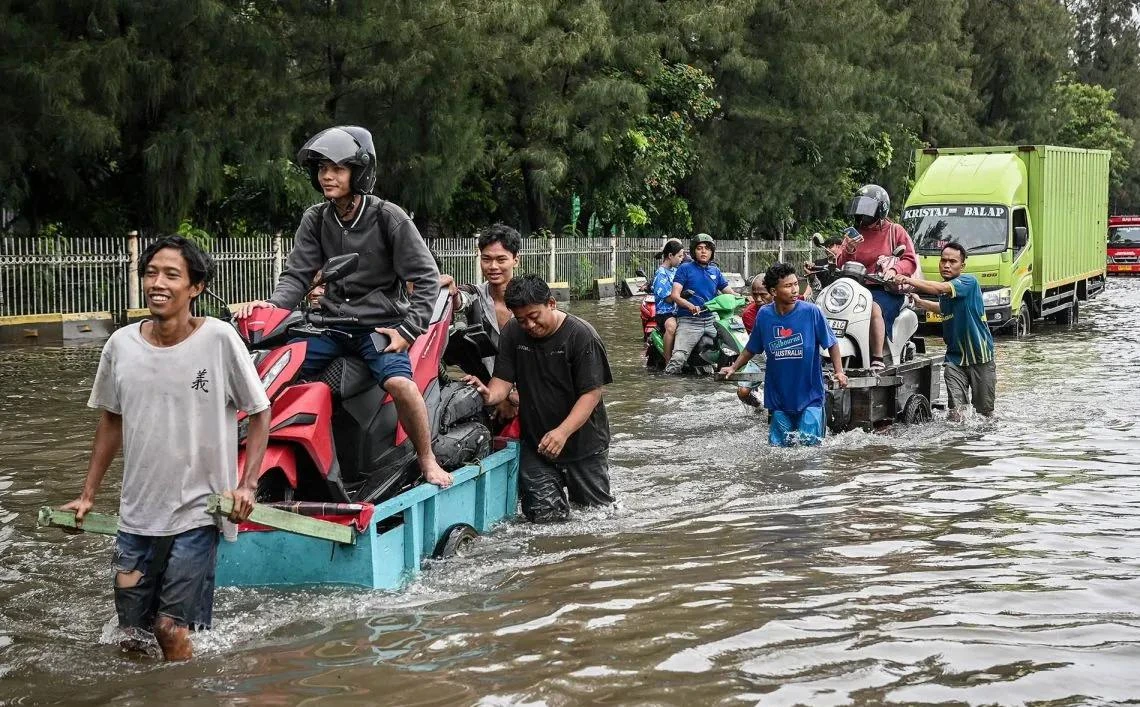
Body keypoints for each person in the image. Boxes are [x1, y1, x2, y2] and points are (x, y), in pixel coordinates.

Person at [62, 235, 271, 661]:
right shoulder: (120, 345)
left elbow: (259, 411)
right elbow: (111, 419)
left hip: (200, 509)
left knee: (169, 629)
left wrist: (247, 486)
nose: (158, 282)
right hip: (137, 514)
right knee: (130, 640)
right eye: (152, 273)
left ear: (195, 287)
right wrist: (87, 495)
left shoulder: (218, 340)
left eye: (172, 275)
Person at [235, 125, 452, 489]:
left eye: (337, 168)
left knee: (400, 384)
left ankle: (427, 459)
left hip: (378, 327)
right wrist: (270, 309)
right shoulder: (316, 218)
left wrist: (407, 331)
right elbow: (297, 275)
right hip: (330, 327)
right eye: (322, 169)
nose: (327, 176)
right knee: (269, 376)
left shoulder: (389, 217)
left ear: (359, 172)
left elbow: (426, 278)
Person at [464, 274, 614, 523]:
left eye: (534, 317)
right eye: (522, 320)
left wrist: (562, 432)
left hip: (583, 445)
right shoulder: (513, 332)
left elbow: (592, 393)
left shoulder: (581, 336)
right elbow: (503, 379)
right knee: (544, 521)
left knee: (594, 518)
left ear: (552, 304)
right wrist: (488, 395)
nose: (529, 326)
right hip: (536, 444)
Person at [719, 263, 848, 446]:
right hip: (779, 399)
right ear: (773, 291)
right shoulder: (764, 315)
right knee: (779, 451)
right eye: (788, 286)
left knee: (809, 449)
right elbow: (751, 348)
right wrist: (733, 367)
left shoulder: (811, 312)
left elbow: (832, 343)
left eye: (796, 284)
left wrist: (839, 371)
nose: (795, 290)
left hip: (810, 396)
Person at [895, 242, 995, 421]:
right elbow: (944, 308)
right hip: (954, 359)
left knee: (984, 414)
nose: (947, 265)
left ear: (962, 266)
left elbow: (940, 288)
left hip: (980, 357)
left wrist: (908, 279)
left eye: (952, 261)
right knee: (957, 414)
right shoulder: (946, 291)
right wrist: (921, 303)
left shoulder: (968, 282)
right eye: (943, 261)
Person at [836, 184, 918, 371]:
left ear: (881, 209)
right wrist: (848, 251)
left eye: (868, 209)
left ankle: (877, 357)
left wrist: (894, 271)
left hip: (885, 289)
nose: (863, 215)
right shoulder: (853, 233)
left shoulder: (894, 231)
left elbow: (909, 259)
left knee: (873, 308)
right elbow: (841, 263)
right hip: (856, 288)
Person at [449, 223, 523, 424]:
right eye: (486, 259)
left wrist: (515, 397)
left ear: (515, 260)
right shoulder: (475, 295)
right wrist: (452, 292)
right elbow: (460, 301)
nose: (493, 267)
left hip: (527, 396)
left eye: (501, 260)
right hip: (489, 393)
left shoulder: (530, 301)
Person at [665, 233, 736, 374]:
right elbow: (675, 295)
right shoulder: (684, 269)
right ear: (693, 251)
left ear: (712, 252)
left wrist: (745, 298)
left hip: (711, 320)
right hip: (689, 321)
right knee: (678, 358)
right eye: (699, 248)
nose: (704, 251)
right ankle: (668, 386)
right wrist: (690, 306)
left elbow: (729, 292)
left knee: (733, 348)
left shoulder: (715, 271)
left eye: (707, 248)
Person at [651, 239, 685, 362]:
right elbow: (669, 299)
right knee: (671, 327)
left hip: (679, 309)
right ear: (670, 256)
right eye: (680, 256)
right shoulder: (661, 274)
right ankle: (668, 359)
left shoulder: (677, 270)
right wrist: (683, 295)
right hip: (665, 312)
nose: (682, 259)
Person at [802, 234, 844, 301]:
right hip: (822, 298)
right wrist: (804, 296)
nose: (827, 249)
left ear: (839, 247)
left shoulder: (845, 263)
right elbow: (812, 284)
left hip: (842, 298)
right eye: (826, 247)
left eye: (830, 247)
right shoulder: (819, 263)